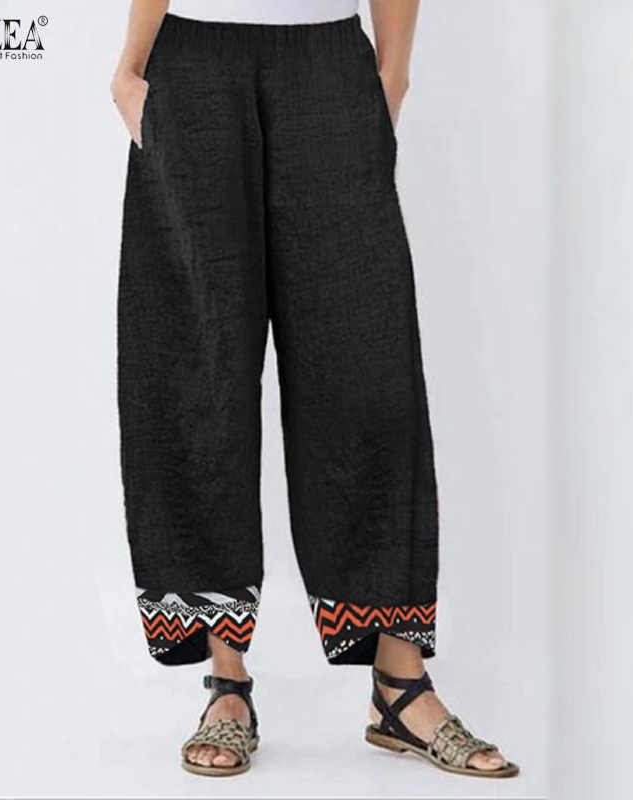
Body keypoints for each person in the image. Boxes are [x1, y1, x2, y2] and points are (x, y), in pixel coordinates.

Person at [111, 0, 518, 778]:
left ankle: (399, 687)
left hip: (330, 61)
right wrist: (131, 69)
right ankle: (227, 684)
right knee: (201, 372)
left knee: (368, 371)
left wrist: (391, 75)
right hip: (191, 61)